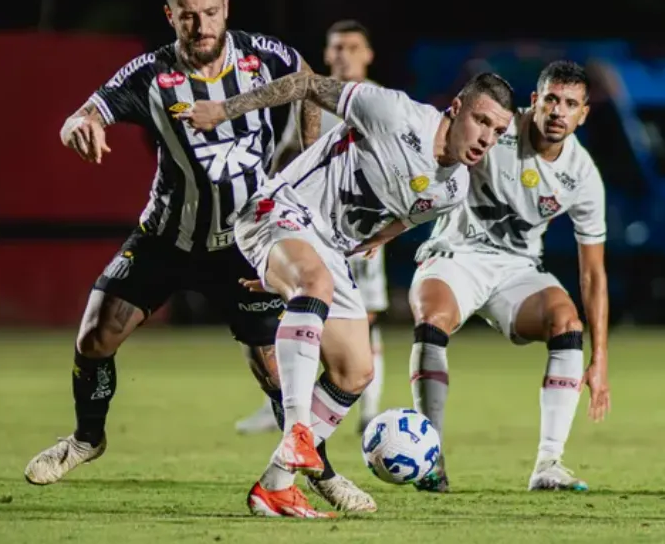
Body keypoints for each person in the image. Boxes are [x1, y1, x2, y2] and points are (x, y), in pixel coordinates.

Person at [23, 0, 376, 512]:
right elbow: (86, 112)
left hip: (246, 239)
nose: (201, 26)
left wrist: (304, 155)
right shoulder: (149, 74)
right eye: (188, 16)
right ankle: (87, 439)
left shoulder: (263, 57)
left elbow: (310, 84)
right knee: (95, 335)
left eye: (210, 13)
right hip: (166, 236)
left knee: (277, 370)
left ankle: (318, 472)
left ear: (226, 8)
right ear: (170, 16)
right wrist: (79, 127)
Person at [180, 68, 516, 518]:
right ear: (455, 109)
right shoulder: (393, 112)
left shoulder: (452, 188)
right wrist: (225, 109)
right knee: (314, 283)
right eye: (481, 121)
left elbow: (401, 215)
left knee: (357, 371)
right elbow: (306, 84)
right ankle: (298, 430)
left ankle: (276, 484)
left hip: (325, 251)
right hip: (279, 209)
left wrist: (295, 266)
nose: (486, 138)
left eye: (498, 131)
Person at [406, 61, 611, 493]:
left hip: (516, 271)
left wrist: (601, 359)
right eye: (552, 99)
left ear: (583, 114)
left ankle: (548, 464)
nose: (559, 111)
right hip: (455, 256)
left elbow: (593, 273)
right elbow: (435, 152)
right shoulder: (497, 129)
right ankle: (432, 459)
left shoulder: (583, 176)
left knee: (566, 323)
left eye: (571, 104)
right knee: (432, 319)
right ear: (534, 102)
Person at [235, 20, 390, 435]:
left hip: (357, 228)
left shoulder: (381, 103)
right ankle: (286, 402)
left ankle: (369, 408)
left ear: (368, 54)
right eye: (336, 47)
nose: (343, 54)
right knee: (299, 307)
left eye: (352, 47)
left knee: (364, 316)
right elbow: (290, 151)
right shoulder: (315, 99)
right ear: (325, 54)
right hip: (305, 222)